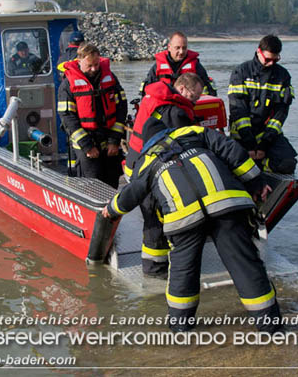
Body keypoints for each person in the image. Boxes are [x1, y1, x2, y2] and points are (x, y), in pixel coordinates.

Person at [102, 123, 282, 333]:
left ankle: (181, 329)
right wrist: (256, 182)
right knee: (245, 265)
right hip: (227, 206)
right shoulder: (194, 132)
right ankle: (270, 326)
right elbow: (231, 150)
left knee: (183, 273)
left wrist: (111, 210)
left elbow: (132, 193)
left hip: (183, 219)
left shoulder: (146, 162)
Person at [125, 73, 202, 278]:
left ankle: (157, 265)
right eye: (194, 97)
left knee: (153, 217)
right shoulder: (174, 111)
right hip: (147, 172)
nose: (195, 102)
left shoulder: (156, 96)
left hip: (136, 165)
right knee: (155, 218)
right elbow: (182, 146)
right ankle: (155, 269)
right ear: (183, 89)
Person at [58, 43, 127, 188]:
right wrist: (87, 146)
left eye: (96, 64)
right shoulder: (67, 85)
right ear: (79, 61)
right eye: (90, 66)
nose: (94, 69)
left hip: (109, 141)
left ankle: (111, 210)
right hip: (86, 143)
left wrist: (114, 140)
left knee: (112, 182)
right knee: (92, 186)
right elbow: (68, 118)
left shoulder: (110, 78)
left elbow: (121, 108)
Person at [228, 34, 297, 174]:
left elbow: (281, 113)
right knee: (233, 167)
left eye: (275, 59)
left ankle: (262, 168)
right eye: (268, 59)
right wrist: (249, 144)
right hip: (242, 135)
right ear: (259, 51)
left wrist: (265, 144)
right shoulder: (241, 72)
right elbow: (238, 110)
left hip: (268, 135)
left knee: (288, 163)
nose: (271, 63)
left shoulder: (283, 76)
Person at [140, 31, 217, 96]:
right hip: (165, 106)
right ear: (169, 47)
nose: (181, 52)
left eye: (184, 48)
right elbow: (146, 90)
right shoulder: (157, 66)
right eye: (177, 48)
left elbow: (210, 91)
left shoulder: (196, 65)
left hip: (189, 106)